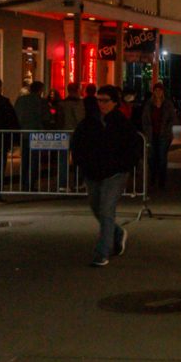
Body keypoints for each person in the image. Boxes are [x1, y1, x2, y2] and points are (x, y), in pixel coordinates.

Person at [71, 84, 143, 266]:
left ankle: (102, 253)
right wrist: (81, 163)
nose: (101, 104)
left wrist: (125, 166)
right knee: (97, 208)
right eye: (99, 100)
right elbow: (77, 143)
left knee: (106, 209)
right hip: (93, 172)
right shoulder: (89, 122)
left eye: (105, 101)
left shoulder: (121, 123)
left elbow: (133, 147)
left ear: (114, 102)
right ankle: (117, 233)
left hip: (115, 174)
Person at [141, 81, 176, 189]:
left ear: (162, 92)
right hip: (151, 134)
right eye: (156, 90)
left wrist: (167, 129)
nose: (158, 92)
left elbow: (172, 118)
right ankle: (153, 177)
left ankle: (161, 180)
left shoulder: (167, 104)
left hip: (163, 135)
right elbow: (145, 119)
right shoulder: (149, 104)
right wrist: (146, 130)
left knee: (162, 157)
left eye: (160, 90)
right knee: (152, 157)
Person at [15, 81, 46, 191]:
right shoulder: (41, 102)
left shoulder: (21, 100)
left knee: (25, 159)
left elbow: (16, 115)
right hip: (36, 133)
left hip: (23, 132)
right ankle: (30, 183)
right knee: (34, 160)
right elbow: (46, 117)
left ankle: (23, 182)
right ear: (40, 90)